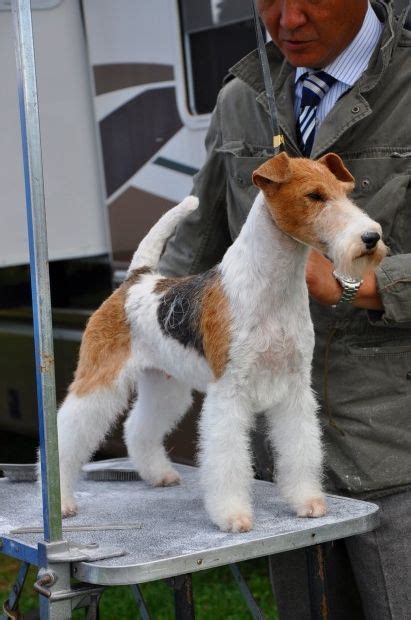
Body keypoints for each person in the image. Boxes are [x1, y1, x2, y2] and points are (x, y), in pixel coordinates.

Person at [159, 1, 411, 617]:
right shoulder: (242, 99)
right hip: (281, 468)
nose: (287, 18)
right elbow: (196, 250)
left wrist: (361, 285)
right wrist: (149, 324)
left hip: (397, 449)